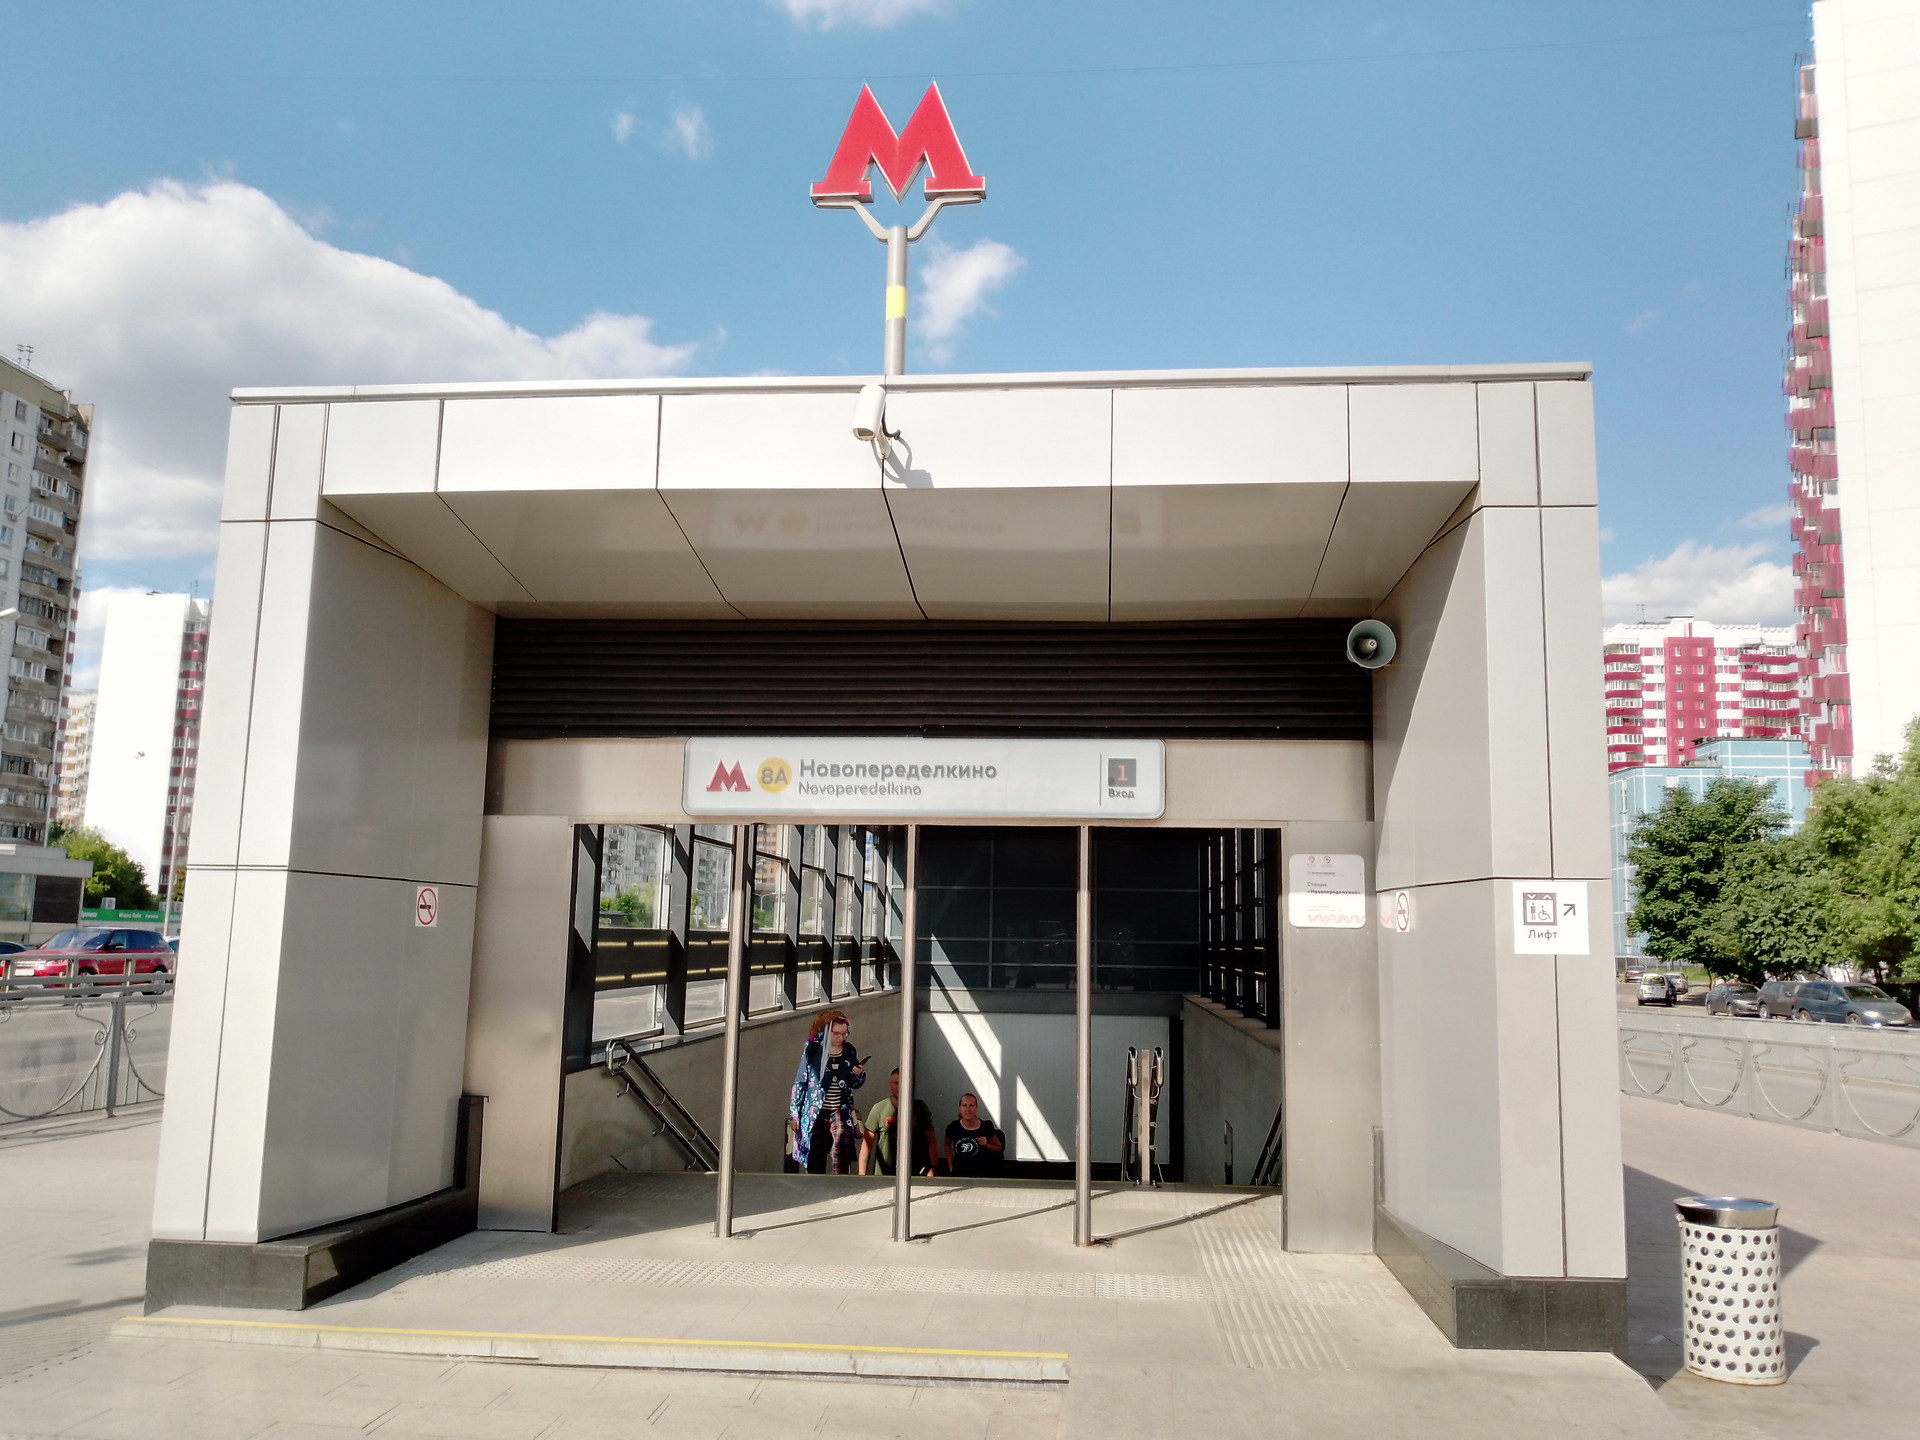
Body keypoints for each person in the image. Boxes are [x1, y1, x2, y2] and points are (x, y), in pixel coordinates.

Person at [788, 1010, 866, 1174]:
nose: (840, 1037)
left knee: (841, 1152)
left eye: (844, 1034)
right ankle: (816, 1186)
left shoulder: (849, 1051)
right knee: (815, 1157)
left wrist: (859, 1074)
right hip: (815, 1111)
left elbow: (855, 1083)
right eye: (836, 1033)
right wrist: (794, 1113)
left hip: (839, 1109)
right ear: (827, 1032)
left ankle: (839, 1185)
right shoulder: (813, 1051)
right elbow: (800, 1082)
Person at [944, 1092, 1005, 1177]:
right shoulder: (953, 1127)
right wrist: (951, 1167)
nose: (968, 1109)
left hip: (982, 1174)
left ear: (976, 1108)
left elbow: (999, 1148)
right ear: (960, 1108)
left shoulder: (986, 1126)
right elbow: (947, 1145)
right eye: (964, 1105)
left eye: (971, 1106)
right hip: (960, 1174)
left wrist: (986, 1145)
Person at [860, 1069, 901, 1176]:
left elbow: (931, 1141)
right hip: (883, 1175)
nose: (899, 1087)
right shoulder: (879, 1108)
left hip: (914, 1174)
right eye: (896, 1083)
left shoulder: (919, 1109)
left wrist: (932, 1169)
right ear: (890, 1085)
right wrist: (862, 1175)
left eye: (903, 1083)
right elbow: (867, 1144)